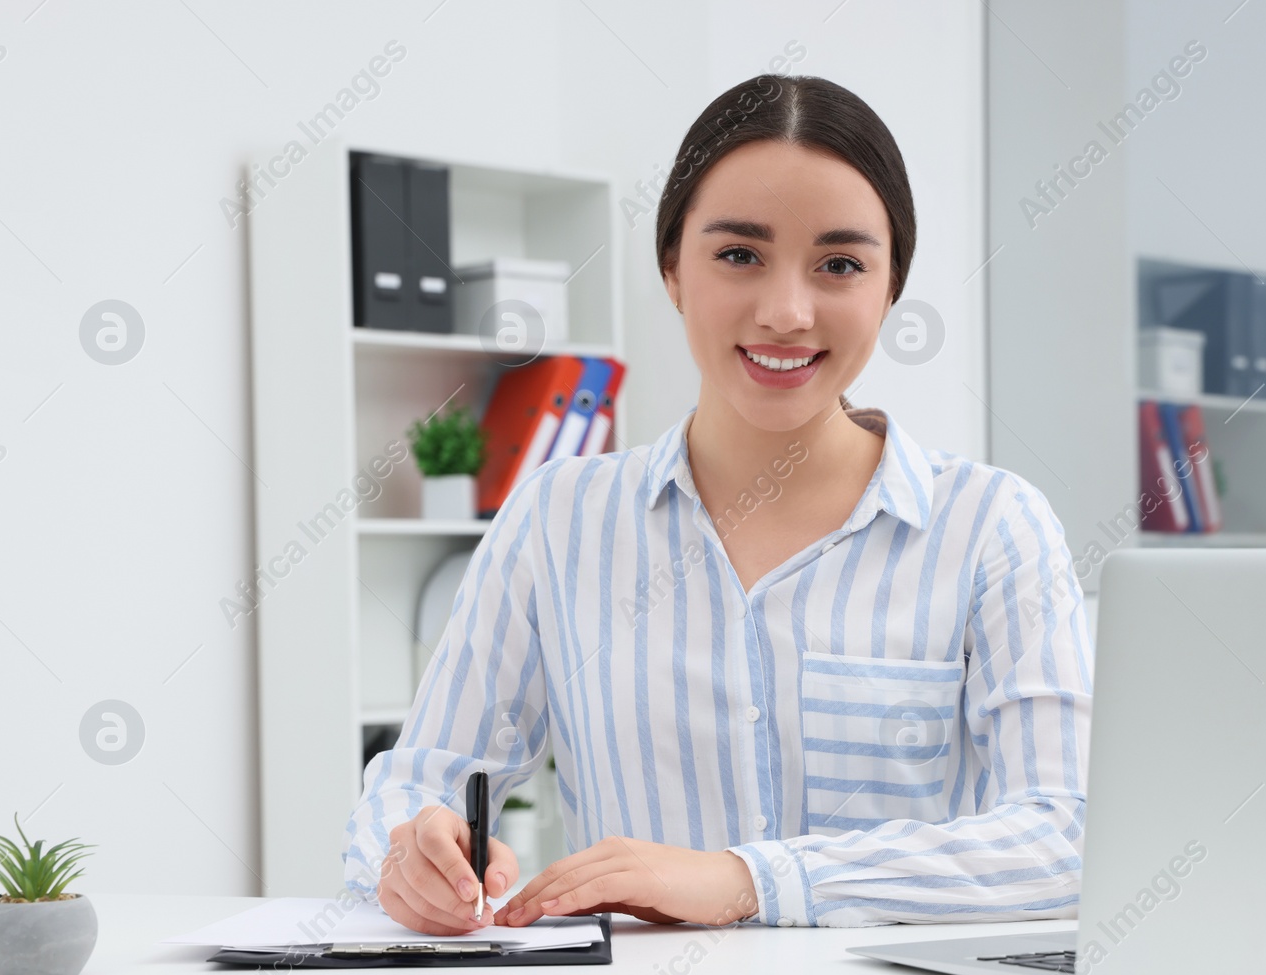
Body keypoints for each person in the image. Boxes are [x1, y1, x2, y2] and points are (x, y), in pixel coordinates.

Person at [342, 73, 1093, 931]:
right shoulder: (559, 518)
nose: (786, 310)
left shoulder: (993, 528)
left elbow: (1065, 840)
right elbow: (419, 781)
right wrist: (414, 853)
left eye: (840, 264)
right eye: (739, 254)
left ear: (890, 288)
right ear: (671, 268)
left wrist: (751, 880)